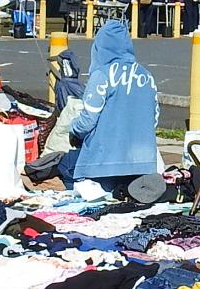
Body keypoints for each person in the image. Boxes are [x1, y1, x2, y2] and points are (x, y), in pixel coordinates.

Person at [59, 20, 159, 190]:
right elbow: (154, 119)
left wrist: (73, 129)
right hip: (143, 163)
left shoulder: (102, 74)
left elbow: (88, 120)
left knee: (64, 166)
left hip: (103, 163)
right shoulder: (147, 76)